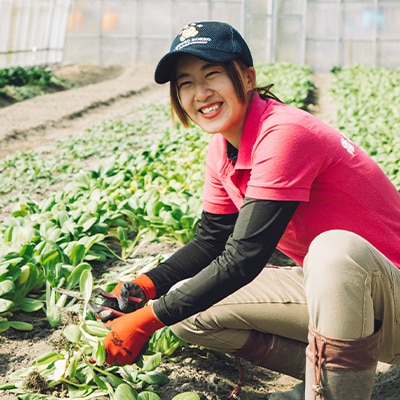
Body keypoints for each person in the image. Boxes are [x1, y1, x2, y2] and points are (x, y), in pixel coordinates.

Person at [102, 21, 400, 399]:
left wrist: (146, 320)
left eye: (212, 75)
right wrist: (144, 288)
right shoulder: (224, 146)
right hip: (347, 302)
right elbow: (212, 241)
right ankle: (335, 381)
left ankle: (338, 394)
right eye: (186, 83)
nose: (201, 93)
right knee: (186, 307)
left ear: (246, 77)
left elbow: (244, 257)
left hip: (391, 296)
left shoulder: (285, 134)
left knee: (333, 250)